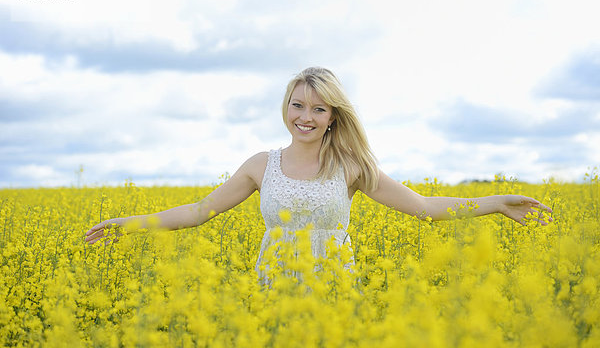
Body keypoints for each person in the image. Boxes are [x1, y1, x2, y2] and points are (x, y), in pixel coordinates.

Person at [84, 66, 553, 288]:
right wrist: (130, 224)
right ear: (286, 107)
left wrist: (493, 202)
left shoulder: (352, 167)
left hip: (333, 287)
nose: (305, 116)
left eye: (318, 108)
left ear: (333, 116)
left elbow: (426, 207)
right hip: (272, 286)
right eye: (297, 105)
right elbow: (196, 212)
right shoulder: (260, 164)